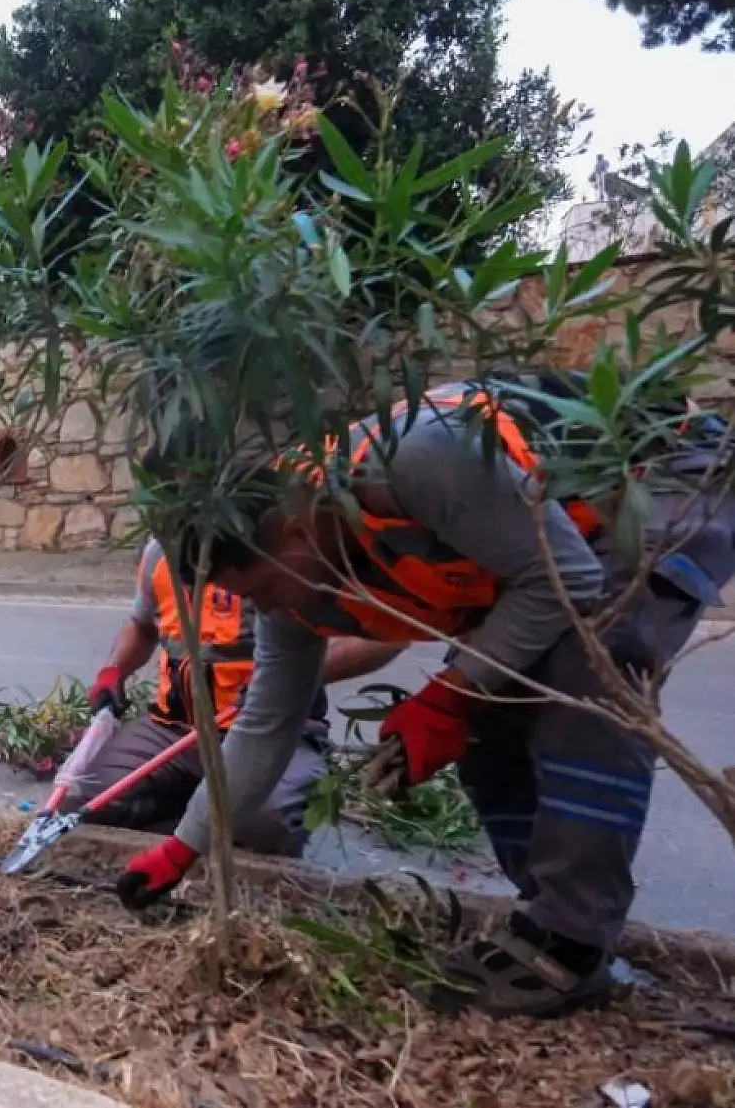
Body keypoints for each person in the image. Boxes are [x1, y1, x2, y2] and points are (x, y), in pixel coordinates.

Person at [114, 381, 735, 1019]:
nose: (265, 610)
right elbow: (267, 723)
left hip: (662, 471)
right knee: (490, 714)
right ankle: (549, 922)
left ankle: (570, 943)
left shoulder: (417, 462)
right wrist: (183, 847)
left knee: (589, 658)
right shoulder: (291, 578)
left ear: (295, 525)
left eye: (266, 589)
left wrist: (447, 697)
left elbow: (569, 578)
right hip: (553, 533)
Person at [78, 536, 406, 855]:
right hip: (175, 728)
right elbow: (142, 625)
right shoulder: (159, 552)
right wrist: (113, 672)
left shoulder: (280, 548)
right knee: (86, 797)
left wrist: (284, 680)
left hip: (273, 730)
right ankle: (206, 810)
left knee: (266, 826)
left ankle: (222, 811)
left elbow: (388, 635)